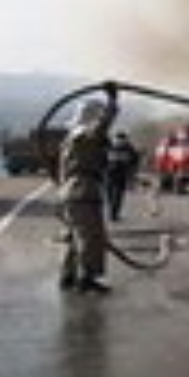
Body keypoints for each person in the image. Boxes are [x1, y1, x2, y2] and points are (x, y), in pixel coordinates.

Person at [58, 83, 119, 294]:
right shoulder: (85, 137)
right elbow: (103, 125)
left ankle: (68, 276)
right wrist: (113, 101)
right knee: (90, 236)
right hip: (83, 191)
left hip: (71, 191)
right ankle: (87, 278)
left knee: (74, 237)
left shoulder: (71, 139)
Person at [105, 132, 140, 222]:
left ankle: (112, 213)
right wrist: (133, 173)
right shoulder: (128, 148)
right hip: (119, 175)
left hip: (111, 174)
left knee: (112, 195)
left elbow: (134, 160)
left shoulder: (110, 147)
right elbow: (135, 160)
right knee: (116, 195)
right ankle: (113, 213)